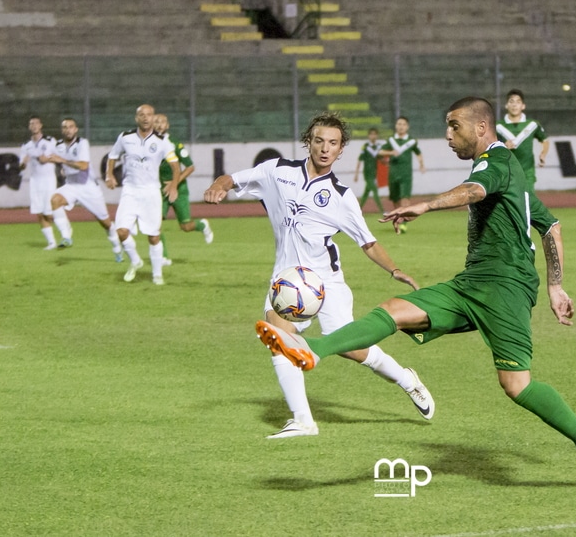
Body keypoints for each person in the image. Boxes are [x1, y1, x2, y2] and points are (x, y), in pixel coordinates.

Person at [256, 97, 576, 488]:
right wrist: (556, 284)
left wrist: (426, 205)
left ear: (480, 127)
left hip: (506, 289)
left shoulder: (495, 162)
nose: (448, 135)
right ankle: (312, 351)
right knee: (393, 309)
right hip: (471, 282)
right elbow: (551, 226)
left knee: (516, 385)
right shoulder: (511, 172)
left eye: (454, 126)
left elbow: (475, 190)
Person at [204, 112, 434, 439]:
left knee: (351, 348)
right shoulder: (277, 171)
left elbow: (367, 242)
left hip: (326, 283)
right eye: (319, 141)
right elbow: (234, 179)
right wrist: (218, 185)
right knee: (278, 337)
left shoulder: (341, 196)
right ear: (308, 142)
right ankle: (303, 421)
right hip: (286, 281)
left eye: (333, 143)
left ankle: (406, 380)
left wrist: (395, 269)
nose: (325, 148)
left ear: (341, 151)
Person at [105, 104, 181, 285]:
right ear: (136, 118)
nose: (146, 118)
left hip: (151, 192)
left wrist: (174, 186)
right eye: (142, 115)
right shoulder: (125, 137)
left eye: (149, 115)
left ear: (153, 118)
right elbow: (112, 155)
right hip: (130, 191)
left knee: (153, 236)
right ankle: (136, 261)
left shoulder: (162, 141)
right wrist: (109, 175)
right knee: (121, 231)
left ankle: (157, 274)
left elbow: (175, 166)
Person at [44, 117, 124, 261]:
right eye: (65, 127)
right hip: (71, 185)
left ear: (76, 129)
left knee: (105, 223)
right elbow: (63, 164)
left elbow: (83, 166)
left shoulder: (82, 143)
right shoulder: (59, 145)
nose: (68, 130)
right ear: (62, 130)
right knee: (55, 200)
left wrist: (62, 161)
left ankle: (117, 248)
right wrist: (63, 169)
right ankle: (66, 236)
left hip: (88, 187)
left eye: (71, 127)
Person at [152, 114, 213, 267]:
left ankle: (202, 225)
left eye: (163, 122)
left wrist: (173, 184)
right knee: (155, 224)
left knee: (185, 226)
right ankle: (163, 257)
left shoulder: (175, 144)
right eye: (156, 122)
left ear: (168, 126)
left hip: (179, 189)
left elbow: (190, 167)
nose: (160, 125)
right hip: (160, 190)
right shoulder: (149, 145)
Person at [18, 116, 58, 250]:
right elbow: (21, 166)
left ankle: (65, 230)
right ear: (29, 127)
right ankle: (51, 242)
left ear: (41, 125)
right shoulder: (26, 145)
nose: (34, 126)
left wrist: (42, 158)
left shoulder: (50, 141)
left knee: (49, 212)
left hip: (48, 180)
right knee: (39, 212)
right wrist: (23, 163)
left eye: (36, 123)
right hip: (35, 181)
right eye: (31, 124)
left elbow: (53, 158)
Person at [379, 116, 425, 232]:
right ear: (396, 126)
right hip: (393, 174)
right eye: (399, 124)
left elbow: (418, 152)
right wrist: (390, 153)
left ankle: (404, 223)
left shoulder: (410, 142)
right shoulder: (391, 141)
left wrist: (421, 164)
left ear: (407, 127)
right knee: (395, 199)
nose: (401, 127)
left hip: (406, 174)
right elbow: (380, 152)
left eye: (403, 124)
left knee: (405, 198)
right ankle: (398, 218)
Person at [496, 89, 549, 186]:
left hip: (527, 171)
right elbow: (489, 146)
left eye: (518, 102)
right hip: (506, 171)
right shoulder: (497, 126)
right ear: (506, 105)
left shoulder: (532, 124)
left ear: (523, 106)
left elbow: (544, 140)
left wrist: (543, 154)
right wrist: (503, 146)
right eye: (511, 101)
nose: (514, 105)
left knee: (527, 199)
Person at [353, 127, 385, 213]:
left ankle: (357, 211)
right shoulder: (366, 147)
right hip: (367, 173)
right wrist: (356, 174)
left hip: (375, 173)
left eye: (375, 134)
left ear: (377, 136)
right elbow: (360, 160)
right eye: (371, 134)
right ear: (368, 136)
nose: (373, 136)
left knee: (366, 193)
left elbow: (382, 159)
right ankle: (383, 211)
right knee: (375, 191)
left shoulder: (379, 147)